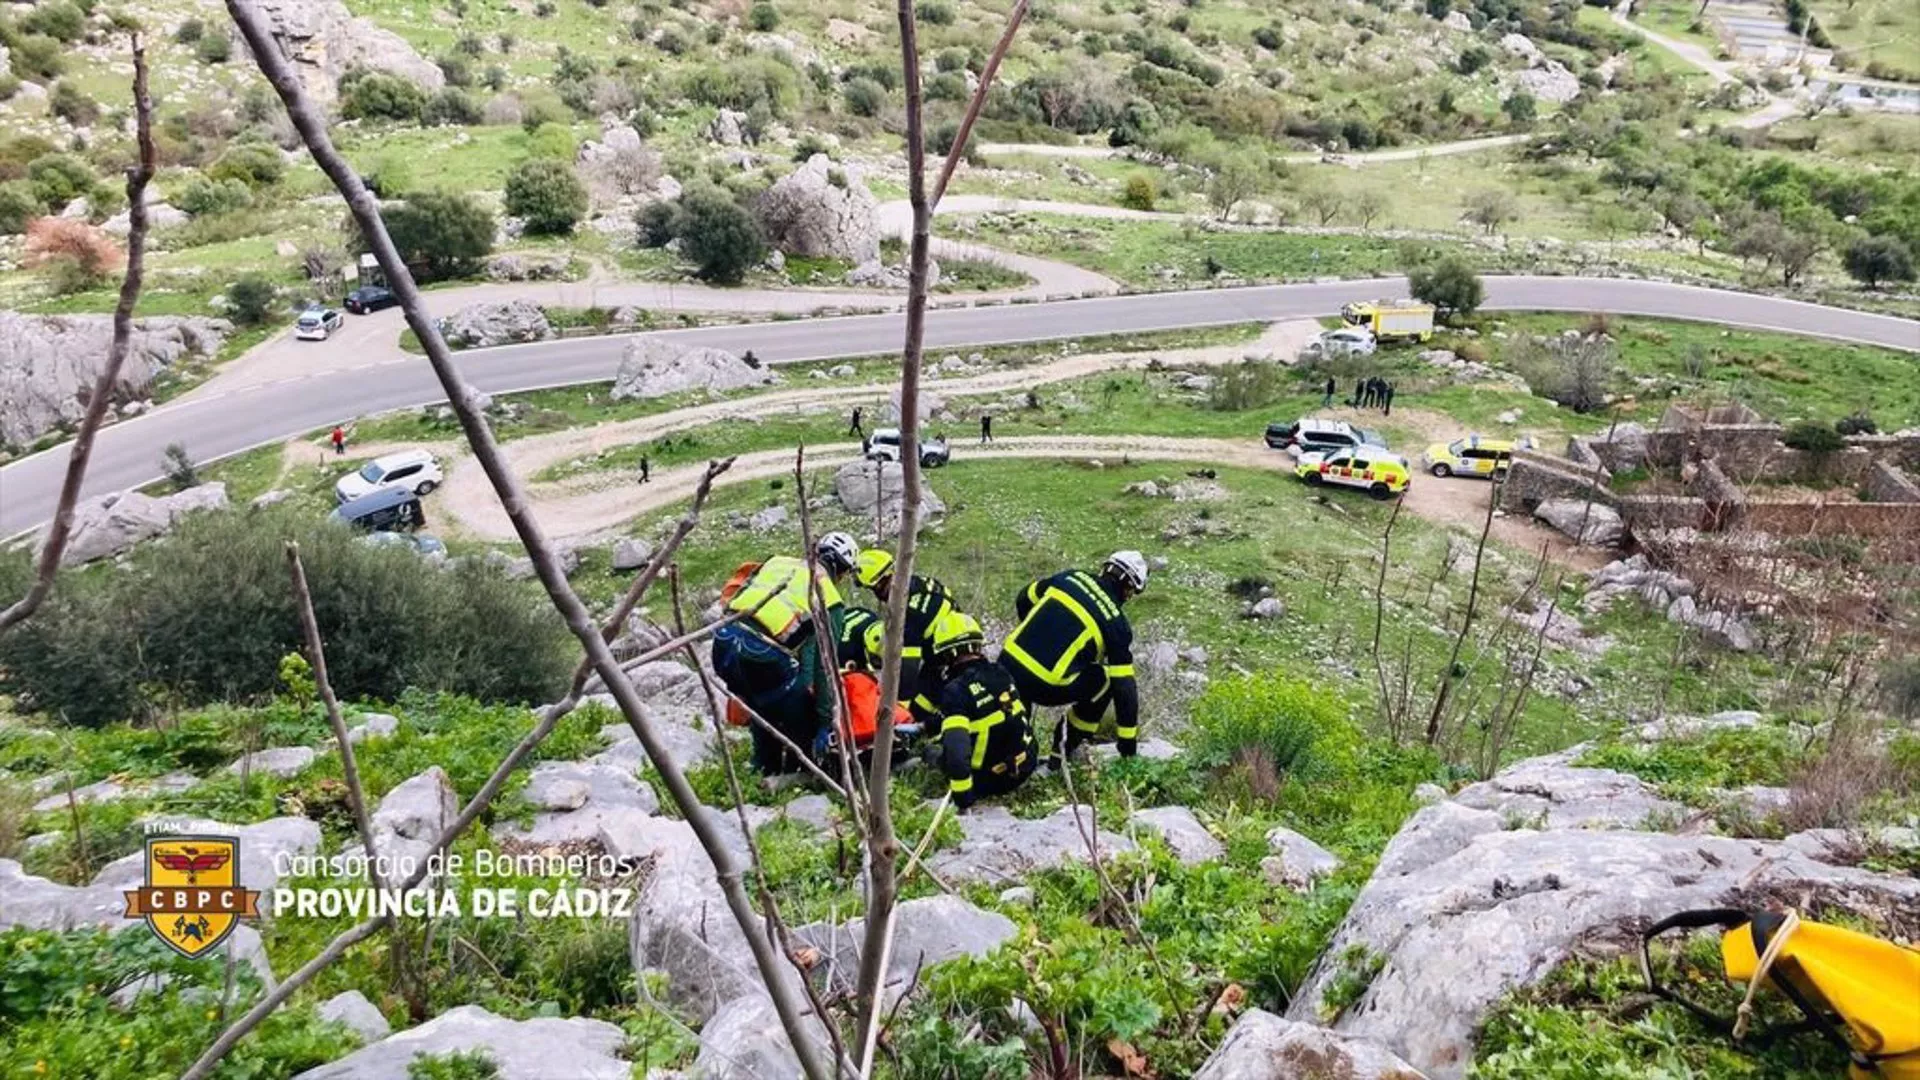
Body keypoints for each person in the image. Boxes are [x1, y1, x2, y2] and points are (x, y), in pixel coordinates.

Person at [999, 551, 1146, 767]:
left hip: (1007, 662)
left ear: (1105, 569)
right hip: (1044, 685)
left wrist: (1034, 633)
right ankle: (1062, 753)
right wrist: (1128, 745)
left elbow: (1024, 597)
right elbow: (1124, 688)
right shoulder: (1117, 624)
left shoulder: (1070, 577)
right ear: (1128, 589)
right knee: (1105, 678)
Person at [712, 555, 845, 775]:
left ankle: (763, 768)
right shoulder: (829, 595)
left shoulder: (778, 562)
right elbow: (826, 667)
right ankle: (802, 769)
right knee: (796, 707)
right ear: (841, 573)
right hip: (760, 651)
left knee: (759, 703)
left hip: (723, 640)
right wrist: (825, 721)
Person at [929, 611, 1037, 810]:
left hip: (991, 780)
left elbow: (957, 752)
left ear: (946, 654)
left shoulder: (955, 690)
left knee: (930, 753)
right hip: (1026, 764)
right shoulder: (1002, 672)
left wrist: (963, 797)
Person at [852, 548, 956, 723]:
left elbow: (908, 667)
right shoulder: (922, 584)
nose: (878, 597)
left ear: (884, 581)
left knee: (917, 710)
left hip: (946, 663)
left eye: (875, 590)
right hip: (943, 656)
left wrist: (899, 707)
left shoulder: (908, 611)